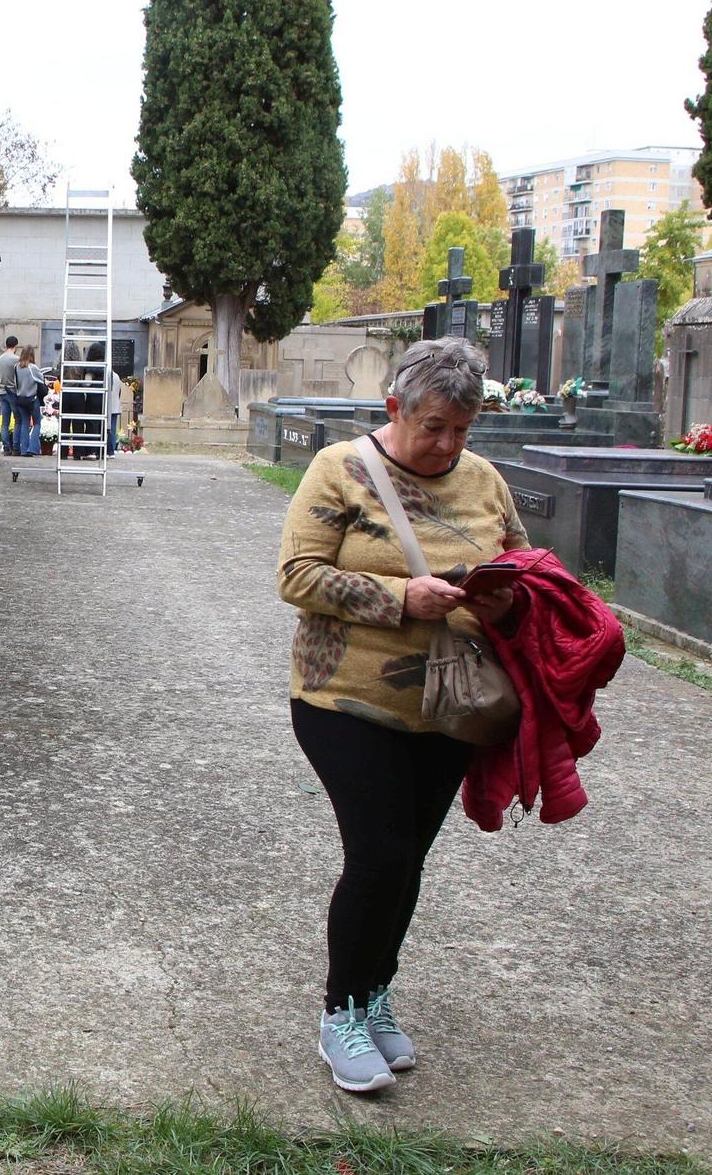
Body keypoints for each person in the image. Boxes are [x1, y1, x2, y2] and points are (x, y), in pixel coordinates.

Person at [276, 336, 528, 1092]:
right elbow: (296, 574)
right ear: (395, 409)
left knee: (408, 860)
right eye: (434, 427)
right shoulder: (342, 468)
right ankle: (340, 1015)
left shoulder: (484, 480)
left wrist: (505, 596)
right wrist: (397, 598)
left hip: (451, 707)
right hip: (345, 700)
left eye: (462, 428)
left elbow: (524, 563)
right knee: (380, 854)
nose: (449, 443)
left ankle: (374, 995)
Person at [12, 346, 44, 456]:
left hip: (20, 399)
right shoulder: (32, 367)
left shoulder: (17, 367)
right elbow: (41, 379)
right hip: (32, 399)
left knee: (24, 423)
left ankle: (23, 449)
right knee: (37, 423)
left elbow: (15, 383)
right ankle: (33, 448)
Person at [0, 336, 21, 456]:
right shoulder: (16, 359)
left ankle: (6, 448)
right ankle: (15, 447)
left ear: (6, 345)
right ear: (15, 346)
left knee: (5, 422)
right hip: (13, 392)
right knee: (17, 420)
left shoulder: (0, 359)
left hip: (2, 391)